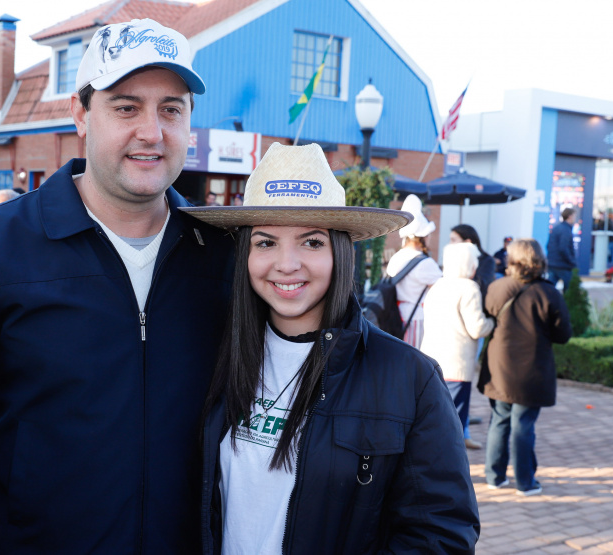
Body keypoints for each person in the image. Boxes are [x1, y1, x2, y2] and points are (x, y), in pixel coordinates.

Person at [0, 18, 234, 553]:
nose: (151, 131)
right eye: (125, 107)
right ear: (80, 114)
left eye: (171, 109)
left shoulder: (225, 253)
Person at [187, 143, 478, 553]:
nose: (287, 264)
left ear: (340, 251)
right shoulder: (213, 354)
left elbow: (441, 533)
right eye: (266, 243)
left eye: (311, 242)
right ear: (245, 255)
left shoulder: (408, 378)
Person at [478, 239, 572, 496]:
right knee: (523, 424)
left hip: (499, 366)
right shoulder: (549, 292)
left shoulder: (496, 287)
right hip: (531, 369)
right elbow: (563, 334)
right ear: (539, 260)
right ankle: (525, 482)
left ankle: (494, 477)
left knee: (499, 420)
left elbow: (487, 315)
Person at [421, 242, 495, 450]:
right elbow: (477, 328)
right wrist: (493, 322)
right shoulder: (468, 287)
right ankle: (448, 459)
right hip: (457, 362)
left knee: (436, 413)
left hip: (433, 359)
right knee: (453, 417)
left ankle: (447, 450)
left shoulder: (438, 285)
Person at [385, 195, 442, 349]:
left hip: (394, 316)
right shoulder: (426, 263)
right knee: (413, 362)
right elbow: (442, 293)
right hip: (415, 318)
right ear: (422, 238)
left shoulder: (396, 257)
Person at [450, 223, 496, 299]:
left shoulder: (487, 261)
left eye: (453, 240)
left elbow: (481, 285)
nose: (450, 244)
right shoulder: (453, 260)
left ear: (468, 242)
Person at [546, 207, 577, 291]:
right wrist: (571, 262)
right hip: (563, 265)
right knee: (569, 290)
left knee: (549, 289)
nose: (575, 218)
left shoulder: (557, 228)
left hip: (553, 264)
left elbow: (548, 245)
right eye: (574, 215)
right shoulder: (565, 230)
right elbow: (563, 248)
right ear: (570, 216)